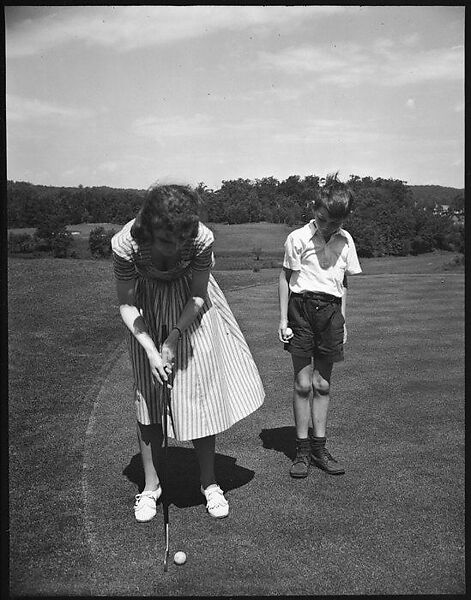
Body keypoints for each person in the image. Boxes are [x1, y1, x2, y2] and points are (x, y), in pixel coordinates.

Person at [111, 183, 265, 521]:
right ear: (149, 228)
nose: (176, 246)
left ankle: (209, 483)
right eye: (168, 240)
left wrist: (174, 337)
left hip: (190, 307)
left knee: (199, 393)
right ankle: (151, 487)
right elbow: (126, 303)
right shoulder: (126, 245)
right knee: (149, 396)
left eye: (182, 238)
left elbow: (198, 294)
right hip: (146, 307)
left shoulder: (201, 238)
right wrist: (152, 350)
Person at [278, 172, 362, 478]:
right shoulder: (297, 238)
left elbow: (344, 283)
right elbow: (286, 278)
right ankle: (301, 451)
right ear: (315, 207)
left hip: (330, 312)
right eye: (324, 219)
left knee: (322, 384)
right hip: (300, 310)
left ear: (344, 218)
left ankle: (319, 447)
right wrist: (284, 318)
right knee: (302, 384)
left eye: (335, 223)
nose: (328, 227)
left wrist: (344, 320)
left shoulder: (346, 240)